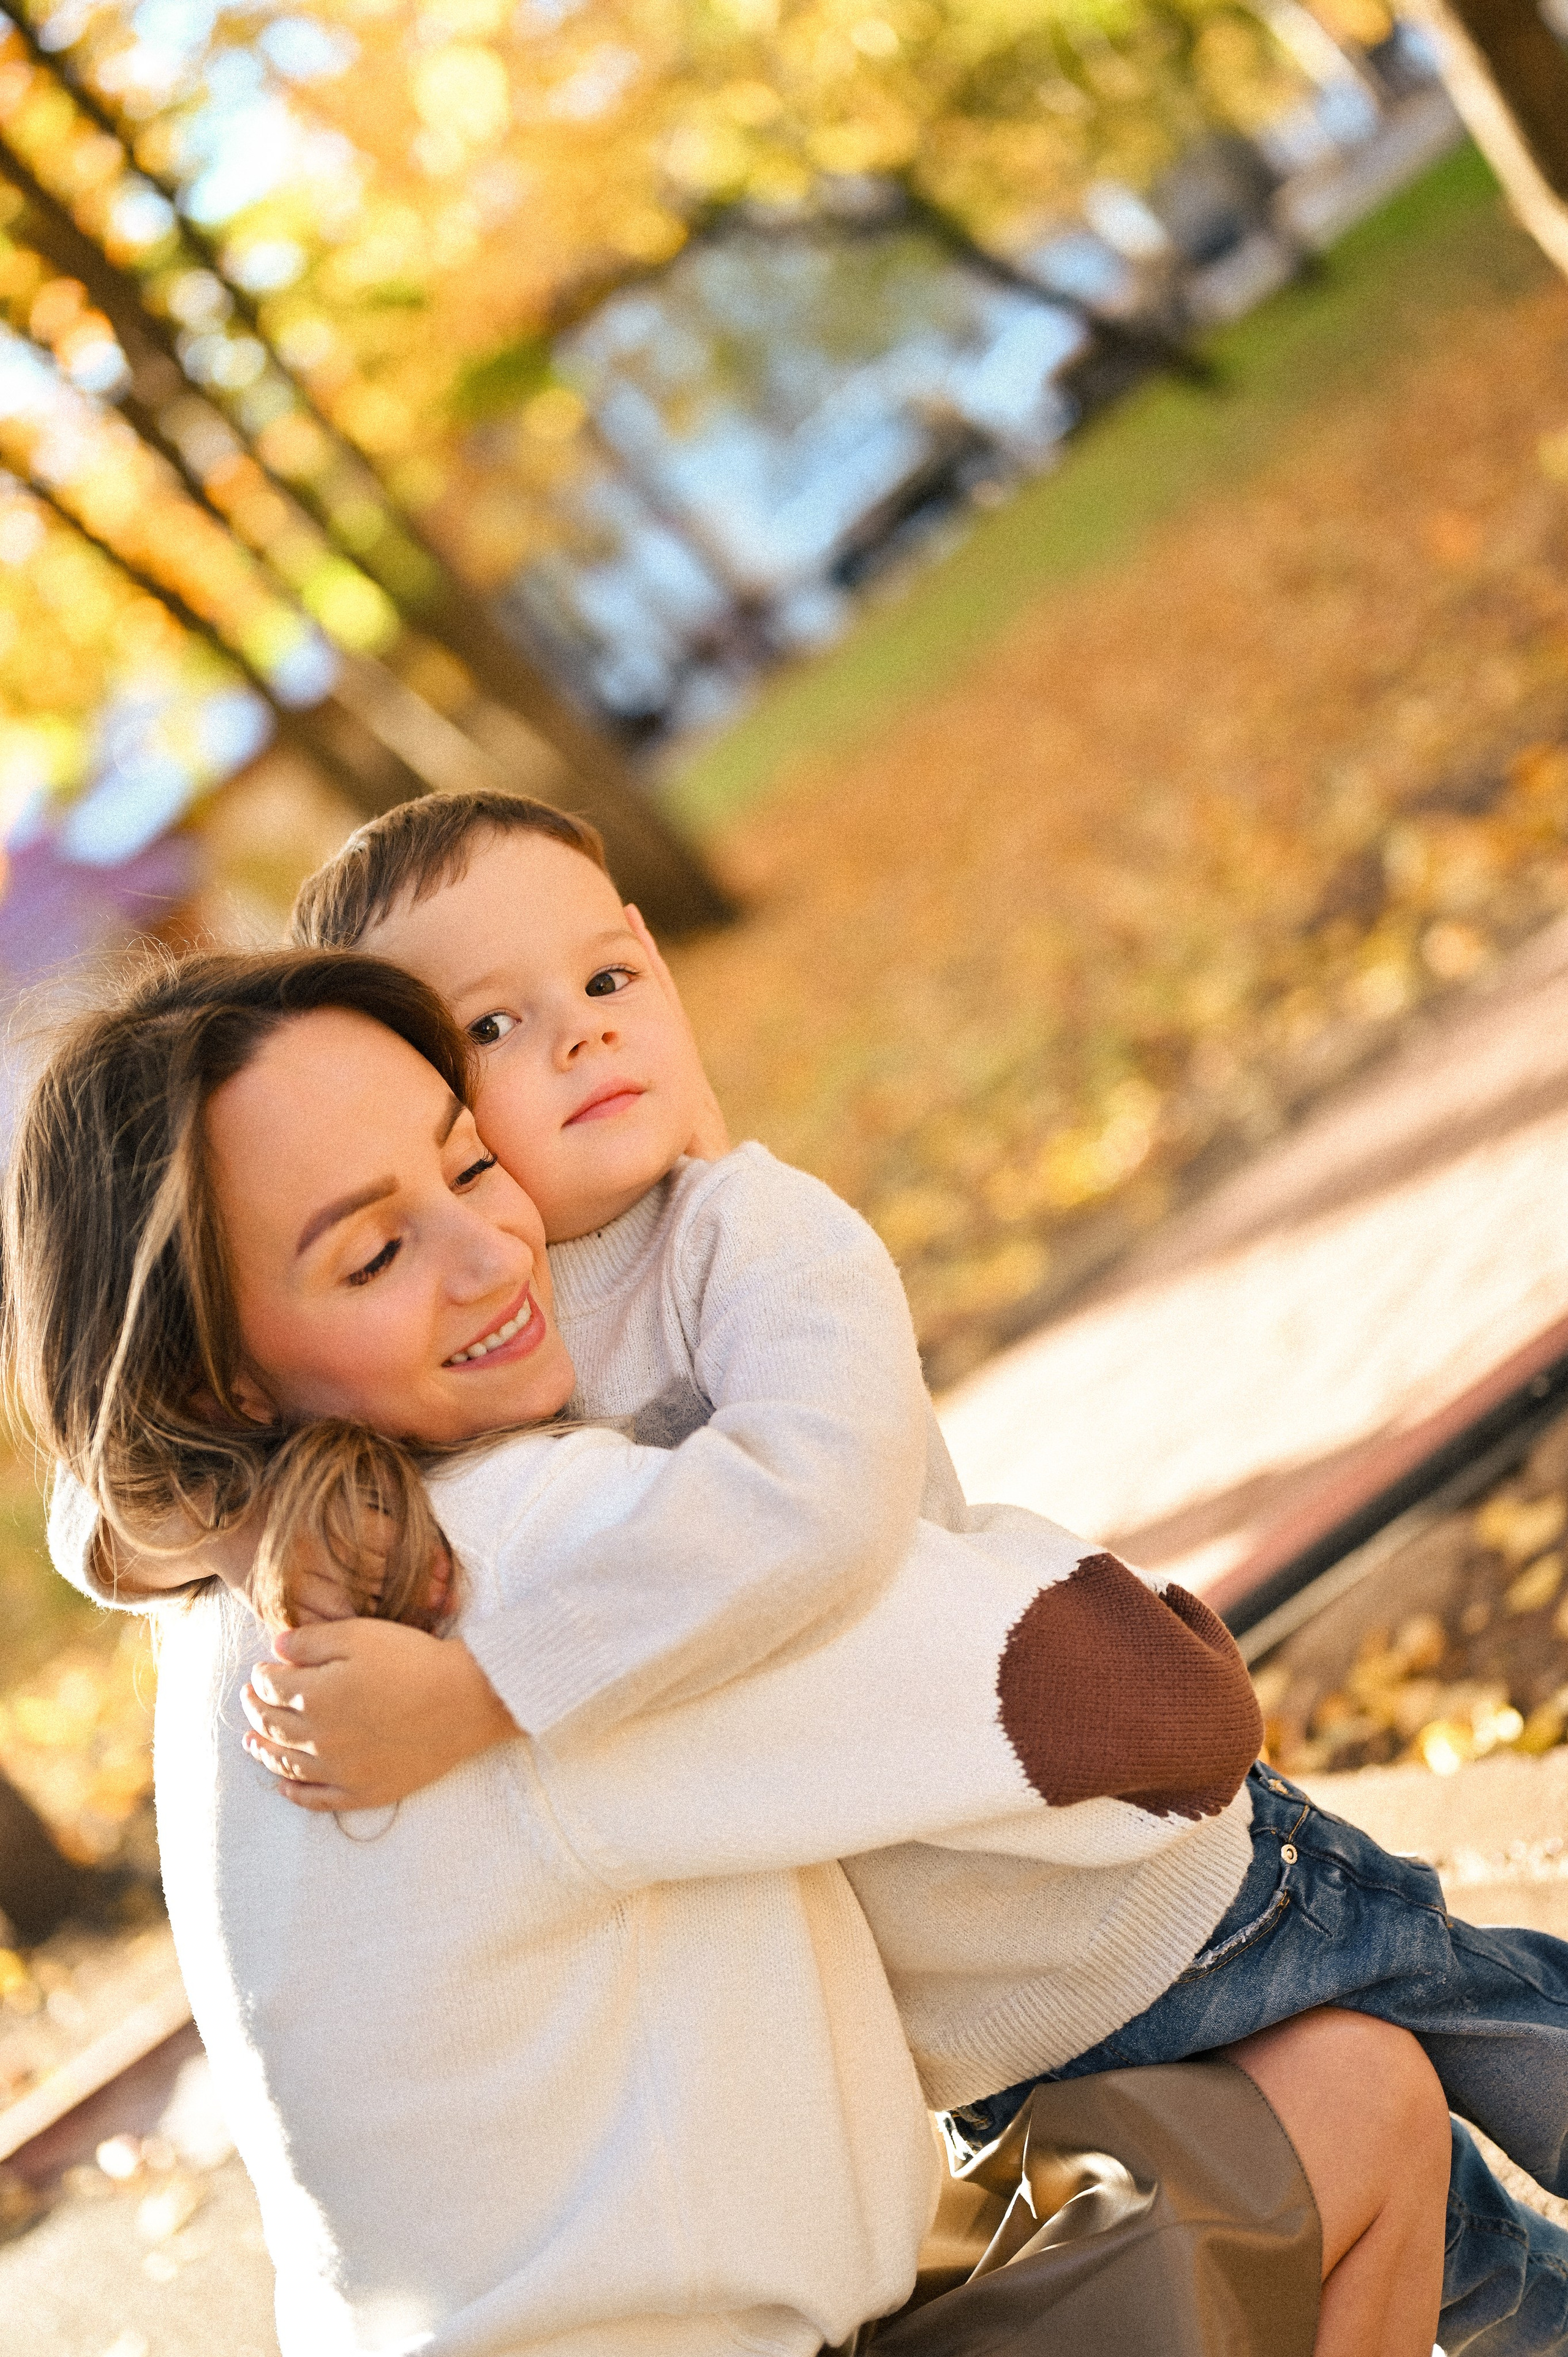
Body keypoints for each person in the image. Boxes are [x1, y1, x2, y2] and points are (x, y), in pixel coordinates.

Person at [15, 945, 1446, 2356]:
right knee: (1353, 2095)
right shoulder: (498, 1566)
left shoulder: (219, 1587)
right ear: (217, 1375)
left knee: (1081, 2173)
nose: (491, 1252)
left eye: (467, 1167)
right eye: (375, 1251)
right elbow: (1124, 1697)